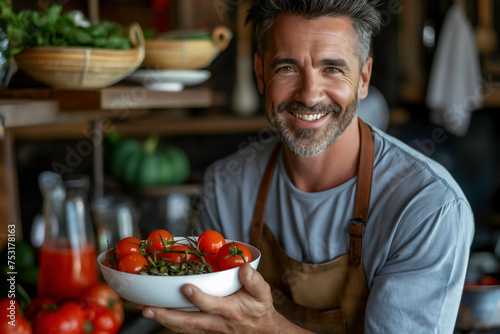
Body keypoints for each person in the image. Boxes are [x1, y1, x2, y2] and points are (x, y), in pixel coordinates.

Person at [139, 0, 474, 332]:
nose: (310, 95)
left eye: (332, 68)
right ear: (260, 74)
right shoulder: (228, 185)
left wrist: (266, 328)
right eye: (287, 68)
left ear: (363, 78)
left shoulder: (428, 206)